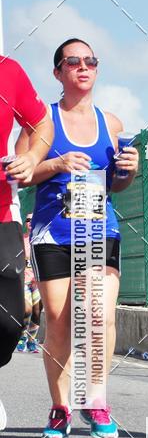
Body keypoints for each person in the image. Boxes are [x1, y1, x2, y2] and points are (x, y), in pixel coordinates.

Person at [23, 38, 139, 438]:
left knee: (98, 315)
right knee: (59, 321)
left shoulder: (113, 124)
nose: (84, 67)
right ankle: (60, 407)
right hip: (53, 232)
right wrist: (57, 163)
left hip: (98, 229)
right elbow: (21, 173)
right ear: (58, 72)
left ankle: (96, 399)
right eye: (73, 62)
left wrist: (128, 171)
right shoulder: (42, 121)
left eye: (90, 61)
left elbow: (116, 185)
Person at [0, 57, 52, 369]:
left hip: (3, 211)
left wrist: (32, 157)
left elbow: (41, 123)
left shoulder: (8, 70)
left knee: (9, 323)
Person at [16, 214, 43, 352]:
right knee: (27, 310)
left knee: (37, 312)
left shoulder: (42, 239)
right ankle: (22, 337)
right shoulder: (21, 240)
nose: (30, 222)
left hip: (38, 281)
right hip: (25, 281)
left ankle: (32, 340)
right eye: (27, 220)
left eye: (33, 220)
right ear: (25, 223)